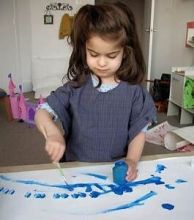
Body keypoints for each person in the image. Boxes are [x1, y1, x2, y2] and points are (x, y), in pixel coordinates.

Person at [35, 2, 156, 181]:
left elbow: (138, 132)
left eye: (111, 55)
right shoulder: (75, 87)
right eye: (93, 54)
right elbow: (41, 112)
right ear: (83, 49)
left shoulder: (134, 92)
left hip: (115, 170)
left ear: (125, 52)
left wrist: (131, 160)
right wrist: (53, 133)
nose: (101, 63)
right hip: (76, 169)